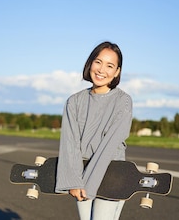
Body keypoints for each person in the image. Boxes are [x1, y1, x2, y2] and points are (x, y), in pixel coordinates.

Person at [55, 41, 133, 220]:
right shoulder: (74, 101)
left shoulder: (123, 101)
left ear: (117, 72)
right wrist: (74, 182)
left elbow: (110, 145)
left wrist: (88, 184)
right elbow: (70, 143)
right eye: (98, 62)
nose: (101, 70)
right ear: (90, 63)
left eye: (110, 65)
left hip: (112, 173)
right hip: (81, 175)